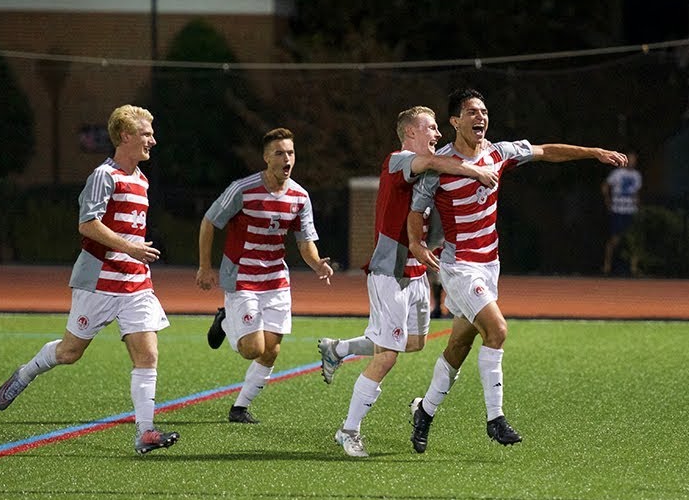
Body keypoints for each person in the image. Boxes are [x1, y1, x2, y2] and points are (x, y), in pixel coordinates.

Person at [406, 88, 626, 452]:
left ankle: (424, 413)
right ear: (454, 121)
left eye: (484, 111)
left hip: (489, 266)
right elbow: (416, 212)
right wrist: (416, 243)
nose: (481, 117)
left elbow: (545, 151)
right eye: (472, 111)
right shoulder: (439, 166)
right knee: (498, 329)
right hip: (459, 267)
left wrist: (593, 153)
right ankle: (495, 419)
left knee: (459, 345)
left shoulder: (498, 152)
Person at [0, 104, 179, 455]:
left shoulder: (141, 179)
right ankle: (26, 373)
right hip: (98, 282)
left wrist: (134, 254)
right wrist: (129, 247)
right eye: (146, 134)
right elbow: (87, 224)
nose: (152, 140)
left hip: (136, 282)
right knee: (69, 353)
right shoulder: (103, 176)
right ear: (125, 136)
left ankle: (145, 432)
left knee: (148, 354)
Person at [316, 106, 498, 457]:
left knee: (413, 343)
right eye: (430, 127)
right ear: (410, 133)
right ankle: (348, 430)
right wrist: (476, 169)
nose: (437, 134)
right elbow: (430, 163)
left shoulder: (427, 175)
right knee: (387, 357)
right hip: (390, 273)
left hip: (416, 273)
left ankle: (337, 349)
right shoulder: (398, 160)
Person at [196, 127, 334, 425]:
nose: (287, 158)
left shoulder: (299, 196)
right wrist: (205, 266)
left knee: (271, 350)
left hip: (276, 280)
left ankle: (239, 408)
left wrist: (317, 264)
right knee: (252, 349)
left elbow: (305, 241)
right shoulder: (243, 189)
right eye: (280, 153)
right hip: (243, 277)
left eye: (291, 153)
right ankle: (225, 319)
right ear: (266, 158)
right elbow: (209, 222)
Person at [601, 150, 642, 275]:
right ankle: (607, 266)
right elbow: (605, 186)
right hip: (618, 209)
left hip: (630, 210)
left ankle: (633, 268)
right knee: (615, 239)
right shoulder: (617, 173)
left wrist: (637, 206)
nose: (632, 161)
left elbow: (636, 193)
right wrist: (608, 202)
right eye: (630, 159)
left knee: (633, 239)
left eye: (634, 159)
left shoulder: (637, 175)